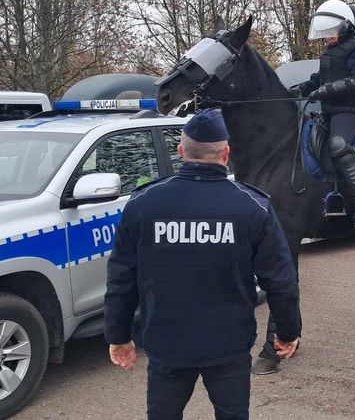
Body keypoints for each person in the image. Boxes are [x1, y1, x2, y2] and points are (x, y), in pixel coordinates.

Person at [104, 108, 300, 420]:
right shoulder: (252, 207)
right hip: (228, 345)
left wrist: (118, 335)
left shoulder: (144, 203)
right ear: (226, 153)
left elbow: (121, 278)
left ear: (181, 151)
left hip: (166, 344)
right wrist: (287, 332)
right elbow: (281, 281)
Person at [292, 0, 355, 228]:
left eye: (331, 30)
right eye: (325, 31)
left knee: (338, 145)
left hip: (352, 110)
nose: (327, 35)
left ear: (345, 26)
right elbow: (322, 77)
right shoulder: (331, 50)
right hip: (330, 111)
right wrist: (305, 87)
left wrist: (325, 90)